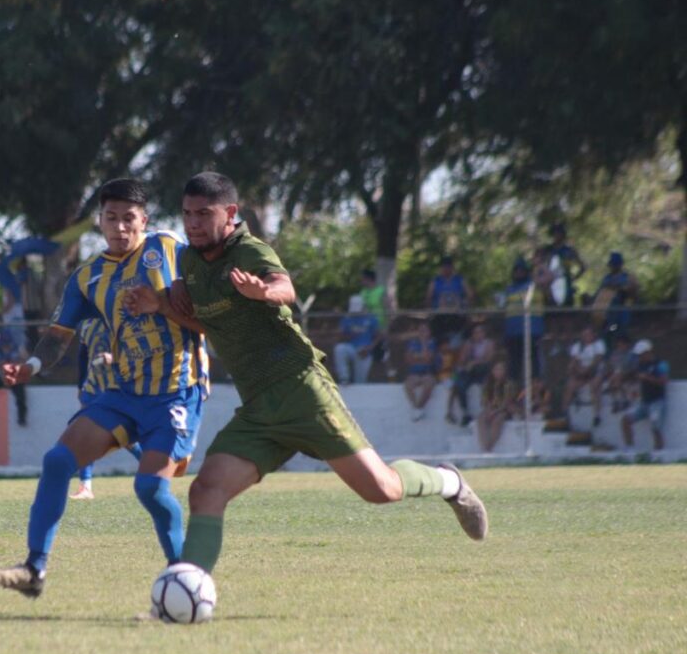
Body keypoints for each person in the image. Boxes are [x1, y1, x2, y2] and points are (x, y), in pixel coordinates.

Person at [125, 171, 487, 592]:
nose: (193, 223)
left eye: (204, 214)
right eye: (187, 214)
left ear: (231, 213)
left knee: (382, 490)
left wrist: (266, 292)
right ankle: (187, 593)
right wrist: (160, 305)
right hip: (259, 408)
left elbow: (286, 287)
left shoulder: (250, 250)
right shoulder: (188, 261)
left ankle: (450, 482)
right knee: (206, 491)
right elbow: (208, 324)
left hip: (301, 389)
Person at [0, 178, 209, 599]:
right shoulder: (87, 277)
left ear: (144, 220)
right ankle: (34, 569)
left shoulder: (170, 249)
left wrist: (164, 302)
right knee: (56, 461)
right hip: (124, 393)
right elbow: (57, 337)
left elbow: (207, 300)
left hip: (177, 391)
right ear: (99, 223)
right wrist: (31, 366)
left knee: (149, 487)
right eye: (111, 218)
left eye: (129, 218)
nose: (120, 227)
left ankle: (186, 576)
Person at [69, 316, 144, 500]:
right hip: (93, 388)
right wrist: (80, 386)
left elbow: (139, 351)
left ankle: (153, 468)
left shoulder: (122, 320)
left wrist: (114, 358)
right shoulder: (86, 323)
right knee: (85, 434)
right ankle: (85, 486)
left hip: (117, 387)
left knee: (125, 438)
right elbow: (83, 356)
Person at [0, 295, 29, 426]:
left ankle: (22, 418)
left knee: (20, 392)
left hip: (13, 374)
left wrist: (16, 364)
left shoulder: (18, 348)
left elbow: (25, 362)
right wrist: (0, 364)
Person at [502, 258, 546, 382]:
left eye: (521, 270)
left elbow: (549, 277)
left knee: (534, 366)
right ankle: (514, 396)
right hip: (513, 333)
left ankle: (535, 396)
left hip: (531, 332)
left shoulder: (534, 285)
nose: (518, 273)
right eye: (516, 270)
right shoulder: (509, 289)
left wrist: (540, 265)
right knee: (514, 368)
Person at [621, 339, 668, 451]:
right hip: (644, 402)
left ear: (648, 352)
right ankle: (630, 449)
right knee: (625, 420)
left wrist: (647, 377)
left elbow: (663, 381)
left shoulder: (660, 364)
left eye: (641, 355)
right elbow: (631, 375)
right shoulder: (640, 364)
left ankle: (659, 452)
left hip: (657, 401)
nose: (639, 357)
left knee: (655, 426)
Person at [447, 323, 495, 426]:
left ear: (484, 333)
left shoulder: (489, 343)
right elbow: (462, 361)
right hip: (470, 371)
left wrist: (474, 362)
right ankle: (465, 413)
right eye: (475, 333)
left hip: (482, 370)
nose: (478, 334)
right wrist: (468, 349)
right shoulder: (469, 344)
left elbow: (488, 359)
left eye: (480, 332)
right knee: (459, 385)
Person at [425, 256, 474, 350]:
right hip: (440, 316)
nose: (445, 269)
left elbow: (470, 295)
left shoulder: (459, 279)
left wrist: (467, 310)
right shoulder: (436, 281)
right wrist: (430, 313)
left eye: (448, 267)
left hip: (456, 316)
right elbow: (428, 297)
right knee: (440, 342)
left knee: (459, 341)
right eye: (443, 267)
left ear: (452, 267)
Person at [561, 326, 607, 427]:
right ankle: (565, 413)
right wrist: (578, 369)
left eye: (588, 334)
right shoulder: (577, 346)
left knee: (594, 387)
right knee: (570, 386)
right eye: (584, 335)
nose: (586, 336)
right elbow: (574, 360)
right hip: (581, 372)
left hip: (595, 371)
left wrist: (587, 369)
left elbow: (598, 359)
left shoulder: (599, 344)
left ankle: (597, 415)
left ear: (593, 335)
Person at [332, 295, 382, 384]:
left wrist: (369, 348)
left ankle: (358, 386)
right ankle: (344, 377)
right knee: (339, 348)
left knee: (360, 381)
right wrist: (350, 335)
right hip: (351, 347)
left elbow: (379, 336)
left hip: (365, 350)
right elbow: (339, 336)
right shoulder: (347, 318)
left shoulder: (371, 318)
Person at [593, 252, 639, 346]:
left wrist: (625, 287)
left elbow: (632, 292)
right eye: (612, 265)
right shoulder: (607, 278)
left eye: (615, 265)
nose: (613, 267)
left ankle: (623, 348)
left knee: (622, 332)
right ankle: (609, 350)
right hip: (609, 312)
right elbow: (601, 292)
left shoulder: (627, 277)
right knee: (609, 331)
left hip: (622, 310)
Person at [477, 360, 518, 453]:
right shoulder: (488, 384)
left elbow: (507, 402)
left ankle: (489, 447)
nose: (498, 372)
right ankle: (484, 446)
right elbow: (485, 400)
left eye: (500, 369)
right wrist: (489, 410)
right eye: (496, 369)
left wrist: (495, 412)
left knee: (498, 420)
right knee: (481, 418)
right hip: (492, 409)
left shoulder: (509, 384)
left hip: (505, 410)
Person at [542, 222, 586, 307]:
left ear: (563, 234)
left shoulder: (569, 250)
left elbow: (582, 267)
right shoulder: (548, 250)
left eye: (559, 232)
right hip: (550, 286)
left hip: (566, 285)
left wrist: (574, 278)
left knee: (566, 311)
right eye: (555, 233)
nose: (557, 235)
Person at [403, 321, 437, 421]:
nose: (422, 332)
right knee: (408, 386)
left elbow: (428, 359)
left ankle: (418, 408)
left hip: (427, 373)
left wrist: (423, 345)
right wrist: (420, 357)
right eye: (420, 330)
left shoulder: (432, 342)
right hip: (414, 373)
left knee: (428, 385)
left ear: (429, 332)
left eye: (424, 330)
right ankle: (416, 408)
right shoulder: (412, 343)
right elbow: (408, 359)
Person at [603, 333, 637, 414]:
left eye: (622, 343)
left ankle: (619, 401)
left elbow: (634, 367)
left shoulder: (632, 354)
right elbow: (610, 365)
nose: (620, 345)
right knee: (615, 379)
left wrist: (624, 372)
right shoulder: (615, 353)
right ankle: (618, 401)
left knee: (616, 378)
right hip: (616, 374)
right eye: (619, 343)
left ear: (627, 344)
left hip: (628, 373)